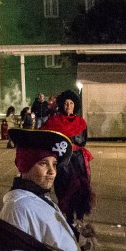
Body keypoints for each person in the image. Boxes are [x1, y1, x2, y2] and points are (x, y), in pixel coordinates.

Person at [43, 89, 94, 223]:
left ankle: (80, 218)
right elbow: (45, 136)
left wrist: (74, 147)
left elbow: (83, 141)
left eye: (71, 103)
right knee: (64, 188)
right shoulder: (54, 121)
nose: (68, 106)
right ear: (62, 104)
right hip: (62, 161)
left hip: (78, 161)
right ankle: (68, 217)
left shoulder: (81, 122)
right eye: (66, 103)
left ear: (74, 105)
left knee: (81, 189)